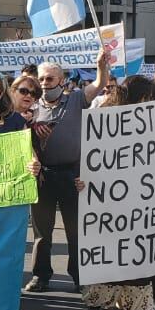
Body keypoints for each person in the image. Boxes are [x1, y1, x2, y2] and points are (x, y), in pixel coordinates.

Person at [25, 48, 110, 293]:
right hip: (42, 175)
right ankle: (40, 276)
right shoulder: (30, 107)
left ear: (61, 81)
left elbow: (99, 84)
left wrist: (101, 66)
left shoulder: (75, 99)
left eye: (49, 79)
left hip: (72, 175)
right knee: (42, 231)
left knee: (75, 230)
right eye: (40, 79)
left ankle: (79, 277)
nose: (44, 83)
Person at [82, 76, 155, 310]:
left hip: (140, 193)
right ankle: (97, 301)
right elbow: (92, 153)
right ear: (141, 96)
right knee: (108, 247)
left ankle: (136, 304)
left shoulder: (151, 120)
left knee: (136, 249)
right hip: (109, 194)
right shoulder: (106, 116)